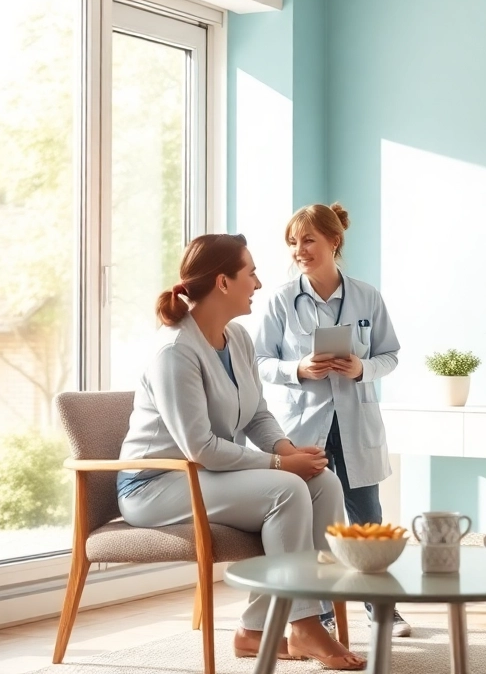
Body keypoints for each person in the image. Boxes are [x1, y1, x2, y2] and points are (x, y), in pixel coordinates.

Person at [116, 233, 365, 671]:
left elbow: (256, 415)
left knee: (322, 482)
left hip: (205, 476)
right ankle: (304, 624)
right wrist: (278, 464)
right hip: (157, 485)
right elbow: (201, 447)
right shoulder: (175, 351)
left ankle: (255, 629)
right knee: (285, 490)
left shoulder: (238, 338)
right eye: (250, 272)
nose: (259, 282)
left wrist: (289, 450)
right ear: (223, 282)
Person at [253, 203, 409, 636]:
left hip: (356, 423)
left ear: (333, 241)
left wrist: (363, 369)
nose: (299, 250)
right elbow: (260, 361)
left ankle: (381, 609)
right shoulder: (282, 300)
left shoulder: (366, 296)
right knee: (314, 521)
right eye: (293, 242)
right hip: (304, 427)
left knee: (368, 522)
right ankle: (320, 612)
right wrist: (297, 369)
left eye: (308, 240)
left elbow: (390, 354)